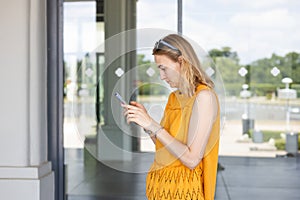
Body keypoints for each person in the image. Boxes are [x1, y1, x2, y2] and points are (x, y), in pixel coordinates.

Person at [123, 34, 220, 200]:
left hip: (184, 191)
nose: (161, 76)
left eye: (163, 68)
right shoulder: (174, 98)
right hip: (160, 187)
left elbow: (191, 160)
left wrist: (153, 125)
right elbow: (165, 146)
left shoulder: (204, 97)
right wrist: (146, 124)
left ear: (181, 62)